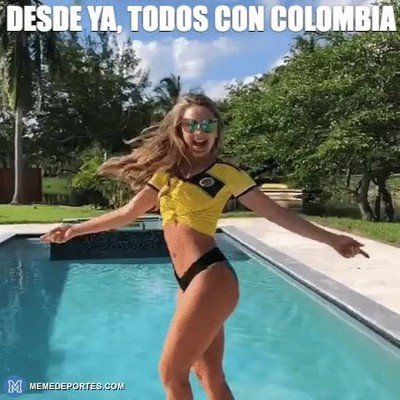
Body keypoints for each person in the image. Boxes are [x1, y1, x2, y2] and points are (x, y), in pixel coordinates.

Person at [41, 93, 369, 400]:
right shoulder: (166, 174)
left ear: (216, 131)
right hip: (187, 282)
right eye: (192, 125)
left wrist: (332, 239)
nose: (200, 132)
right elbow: (128, 213)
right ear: (179, 130)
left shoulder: (227, 174)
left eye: (208, 125)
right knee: (208, 375)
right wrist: (73, 231)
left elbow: (276, 214)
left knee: (171, 374)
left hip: (210, 276)